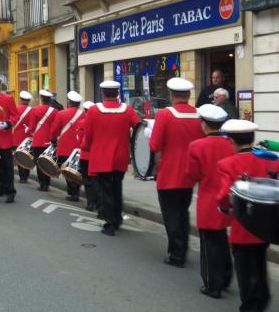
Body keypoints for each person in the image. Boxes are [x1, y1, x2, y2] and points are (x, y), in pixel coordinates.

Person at [217, 119, 279, 312]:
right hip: (267, 226)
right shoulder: (271, 160)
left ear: (232, 141)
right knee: (260, 263)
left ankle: (252, 305)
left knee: (245, 270)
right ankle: (262, 298)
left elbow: (224, 195)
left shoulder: (227, 163)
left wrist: (224, 208)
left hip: (242, 226)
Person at [149, 77, 204, 266]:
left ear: (171, 95)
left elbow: (154, 144)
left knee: (171, 214)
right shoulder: (199, 115)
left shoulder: (165, 115)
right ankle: (183, 247)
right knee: (182, 211)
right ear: (188, 95)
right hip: (190, 174)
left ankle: (176, 253)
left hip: (169, 172)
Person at [185, 104, 234, 299]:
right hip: (227, 199)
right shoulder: (230, 144)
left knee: (208, 244)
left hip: (207, 200)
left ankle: (212, 284)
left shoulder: (196, 146)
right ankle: (226, 277)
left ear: (204, 124)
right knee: (222, 240)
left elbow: (192, 175)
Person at [81, 81, 140, 236]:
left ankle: (110, 223)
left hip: (101, 157)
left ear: (103, 94)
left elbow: (88, 137)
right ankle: (117, 218)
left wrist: (85, 147)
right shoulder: (127, 110)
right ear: (118, 94)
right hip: (120, 157)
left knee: (106, 190)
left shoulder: (93, 111)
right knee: (116, 188)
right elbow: (140, 127)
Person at [50, 91, 84, 201]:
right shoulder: (84, 114)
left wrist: (53, 140)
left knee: (66, 170)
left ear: (69, 102)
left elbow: (54, 130)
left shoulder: (61, 114)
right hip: (79, 147)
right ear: (79, 103)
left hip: (64, 147)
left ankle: (71, 192)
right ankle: (76, 192)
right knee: (76, 170)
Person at [28, 90, 58, 192]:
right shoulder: (54, 111)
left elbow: (31, 127)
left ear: (41, 98)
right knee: (47, 162)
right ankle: (47, 183)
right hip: (49, 141)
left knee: (39, 163)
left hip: (37, 141)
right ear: (50, 100)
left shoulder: (34, 110)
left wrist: (27, 131)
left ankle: (42, 184)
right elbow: (55, 127)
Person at [78, 101, 99, 213]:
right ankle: (98, 203)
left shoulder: (82, 122)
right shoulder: (100, 122)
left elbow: (79, 140)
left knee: (87, 181)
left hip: (85, 155)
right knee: (96, 180)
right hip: (97, 155)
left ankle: (90, 203)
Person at [12, 91, 34, 183]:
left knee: (19, 157)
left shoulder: (15, 109)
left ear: (20, 99)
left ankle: (22, 177)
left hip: (16, 138)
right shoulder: (32, 110)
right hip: (28, 138)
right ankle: (26, 176)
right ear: (29, 101)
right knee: (27, 157)